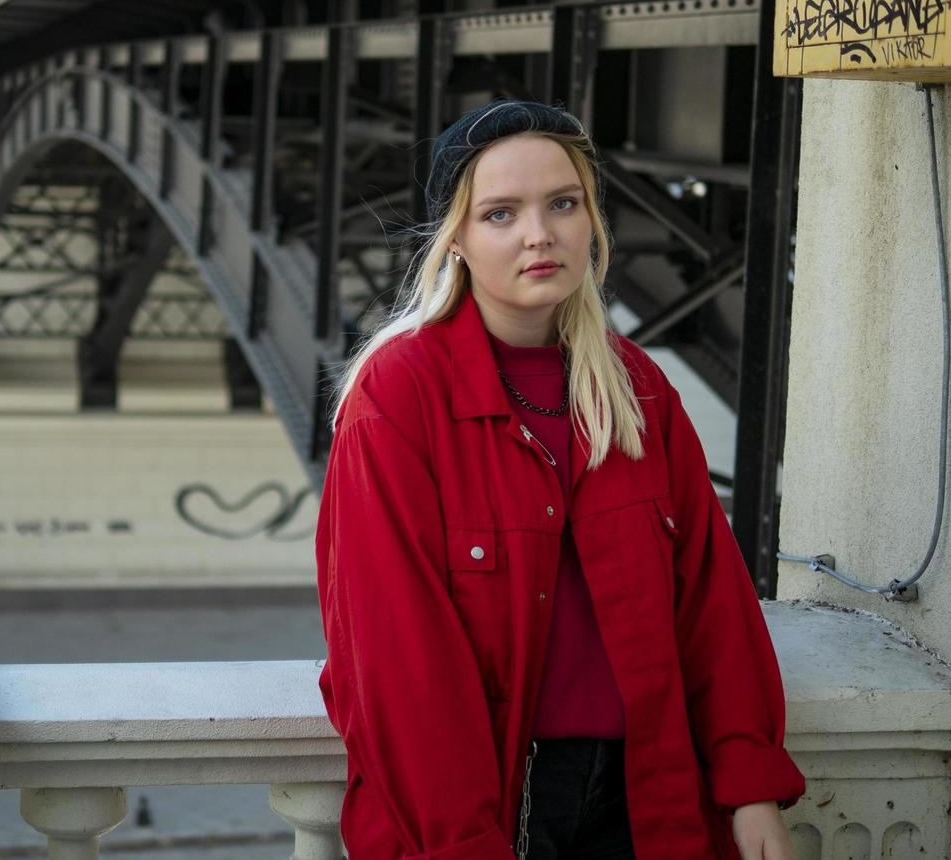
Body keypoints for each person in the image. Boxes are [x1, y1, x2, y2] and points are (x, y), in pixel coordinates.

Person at [314, 99, 805, 859]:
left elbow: (712, 601)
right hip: (492, 809)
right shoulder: (399, 394)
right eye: (501, 213)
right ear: (457, 239)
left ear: (590, 224)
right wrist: (460, 843)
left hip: (645, 798)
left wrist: (748, 785)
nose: (539, 234)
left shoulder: (635, 389)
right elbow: (394, 659)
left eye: (562, 204)